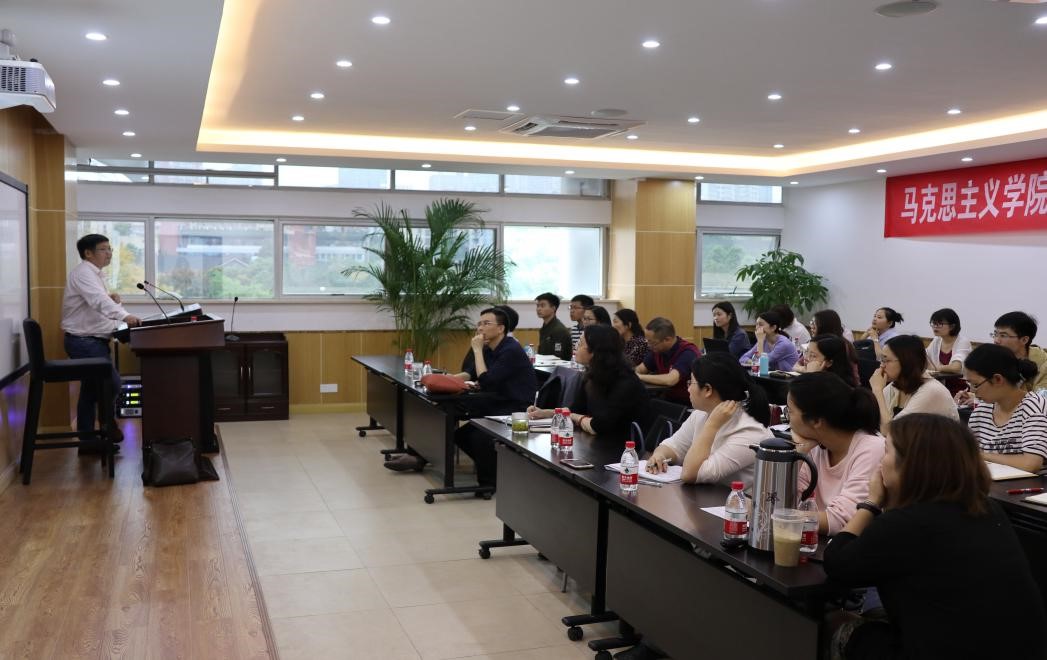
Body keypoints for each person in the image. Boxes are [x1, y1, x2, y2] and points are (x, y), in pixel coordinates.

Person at [823, 414, 1047, 660]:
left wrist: (871, 503)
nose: (880, 464)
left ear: (910, 466)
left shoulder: (907, 524)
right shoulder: (987, 509)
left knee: (837, 622)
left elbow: (837, 564)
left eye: (886, 452)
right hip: (1024, 649)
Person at [384, 308, 537, 485]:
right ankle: (418, 455)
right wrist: (443, 380)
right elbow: (471, 373)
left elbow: (487, 381)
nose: (480, 328)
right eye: (479, 324)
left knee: (459, 422)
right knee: (439, 411)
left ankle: (490, 479)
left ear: (501, 328)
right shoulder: (489, 347)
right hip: (493, 399)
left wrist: (477, 351)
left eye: (486, 324)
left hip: (512, 407)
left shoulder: (511, 350)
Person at [61, 233, 141, 448]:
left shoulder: (95, 274)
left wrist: (115, 303)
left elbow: (99, 305)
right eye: (103, 249)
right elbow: (98, 301)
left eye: (110, 249)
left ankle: (88, 440)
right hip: (84, 342)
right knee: (111, 384)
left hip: (92, 341)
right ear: (88, 253)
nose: (109, 253)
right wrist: (125, 316)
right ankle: (106, 424)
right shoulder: (83, 273)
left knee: (90, 390)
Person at [644, 352, 769, 486]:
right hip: (708, 496)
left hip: (736, 499)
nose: (688, 389)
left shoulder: (750, 431)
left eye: (691, 382)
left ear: (708, 389)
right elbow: (674, 446)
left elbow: (690, 474)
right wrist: (660, 455)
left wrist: (712, 425)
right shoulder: (702, 413)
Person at [788, 372, 885, 535]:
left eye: (790, 412)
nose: (787, 419)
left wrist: (782, 517)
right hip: (817, 543)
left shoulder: (872, 449)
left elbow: (841, 520)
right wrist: (800, 452)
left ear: (816, 421)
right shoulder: (814, 445)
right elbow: (788, 502)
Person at [527, 324, 648, 443]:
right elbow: (575, 411)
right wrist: (546, 413)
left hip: (622, 447)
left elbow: (597, 426)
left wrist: (574, 417)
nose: (575, 347)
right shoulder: (592, 376)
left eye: (580, 344)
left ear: (595, 351)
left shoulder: (625, 382)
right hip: (597, 442)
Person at [964, 344, 1047, 473]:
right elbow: (969, 455)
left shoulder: (1033, 407)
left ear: (998, 379)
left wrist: (982, 456)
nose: (973, 391)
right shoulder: (981, 411)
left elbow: (1030, 464)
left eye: (975, 384)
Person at [869, 335, 958, 436]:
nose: (882, 365)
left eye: (886, 360)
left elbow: (890, 432)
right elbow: (871, 421)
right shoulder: (894, 387)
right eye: (881, 360)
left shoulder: (932, 391)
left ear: (906, 361)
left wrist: (877, 391)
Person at [636, 317, 700, 406]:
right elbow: (640, 369)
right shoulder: (657, 350)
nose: (649, 346)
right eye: (648, 342)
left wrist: (639, 377)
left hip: (687, 403)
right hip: (667, 398)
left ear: (667, 339)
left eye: (652, 343)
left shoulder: (688, 352)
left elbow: (670, 380)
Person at [990, 311, 1047, 391]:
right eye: (995, 334)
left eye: (1003, 335)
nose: (996, 340)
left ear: (1024, 340)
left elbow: (1041, 398)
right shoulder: (995, 359)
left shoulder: (1044, 367)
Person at [925, 308, 971, 374]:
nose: (935, 326)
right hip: (939, 379)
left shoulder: (963, 342)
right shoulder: (937, 340)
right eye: (934, 323)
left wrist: (934, 368)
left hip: (958, 380)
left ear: (952, 326)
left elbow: (955, 367)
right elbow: (924, 355)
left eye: (939, 324)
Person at [534, 292, 572, 360]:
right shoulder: (544, 327)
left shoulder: (559, 330)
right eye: (537, 306)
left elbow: (557, 357)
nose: (538, 309)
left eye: (542, 306)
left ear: (553, 308)